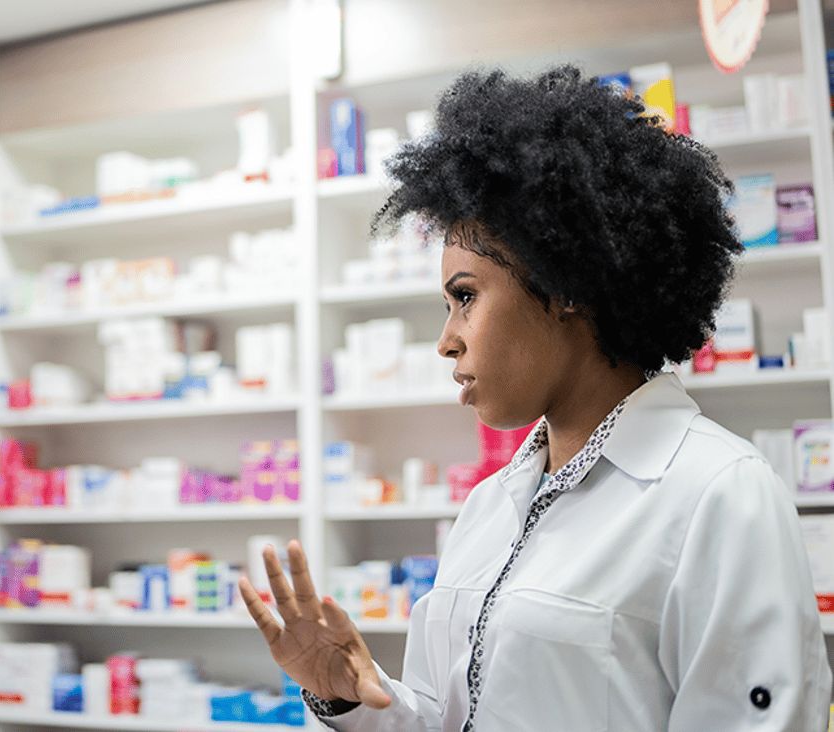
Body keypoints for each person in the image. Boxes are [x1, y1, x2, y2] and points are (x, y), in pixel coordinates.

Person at [240, 65, 832, 731]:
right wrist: (347, 696)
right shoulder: (488, 508)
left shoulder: (720, 494)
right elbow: (448, 719)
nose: (446, 341)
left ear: (566, 283)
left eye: (465, 297)